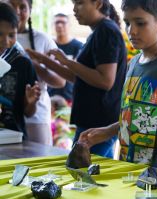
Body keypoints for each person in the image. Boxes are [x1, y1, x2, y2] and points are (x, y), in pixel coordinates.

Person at [78, 0, 157, 176]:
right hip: (128, 168)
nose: (131, 30)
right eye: (128, 23)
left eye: (140, 23)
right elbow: (133, 115)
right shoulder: (133, 64)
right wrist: (107, 131)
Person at [28, 0, 127, 158]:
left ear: (97, 3)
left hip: (99, 124)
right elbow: (78, 77)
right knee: (95, 177)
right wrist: (43, 61)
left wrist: (66, 61)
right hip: (93, 121)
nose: (74, 9)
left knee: (81, 172)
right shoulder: (98, 32)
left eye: (80, 3)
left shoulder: (106, 30)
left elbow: (105, 81)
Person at [9, 0, 66, 145]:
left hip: (36, 115)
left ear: (29, 11)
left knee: (37, 162)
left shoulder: (43, 39)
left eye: (22, 7)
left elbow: (60, 81)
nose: (17, 11)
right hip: (7, 116)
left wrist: (31, 64)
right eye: (12, 5)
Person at [0, 2, 40, 138]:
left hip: (14, 139)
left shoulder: (23, 63)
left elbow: (29, 112)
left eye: (12, 35)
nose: (5, 41)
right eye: (0, 34)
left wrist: (31, 102)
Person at [47, 13, 83, 104]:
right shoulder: (49, 45)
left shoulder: (78, 46)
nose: (59, 25)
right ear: (52, 25)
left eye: (63, 22)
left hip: (70, 97)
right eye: (57, 22)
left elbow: (78, 72)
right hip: (49, 96)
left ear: (69, 25)